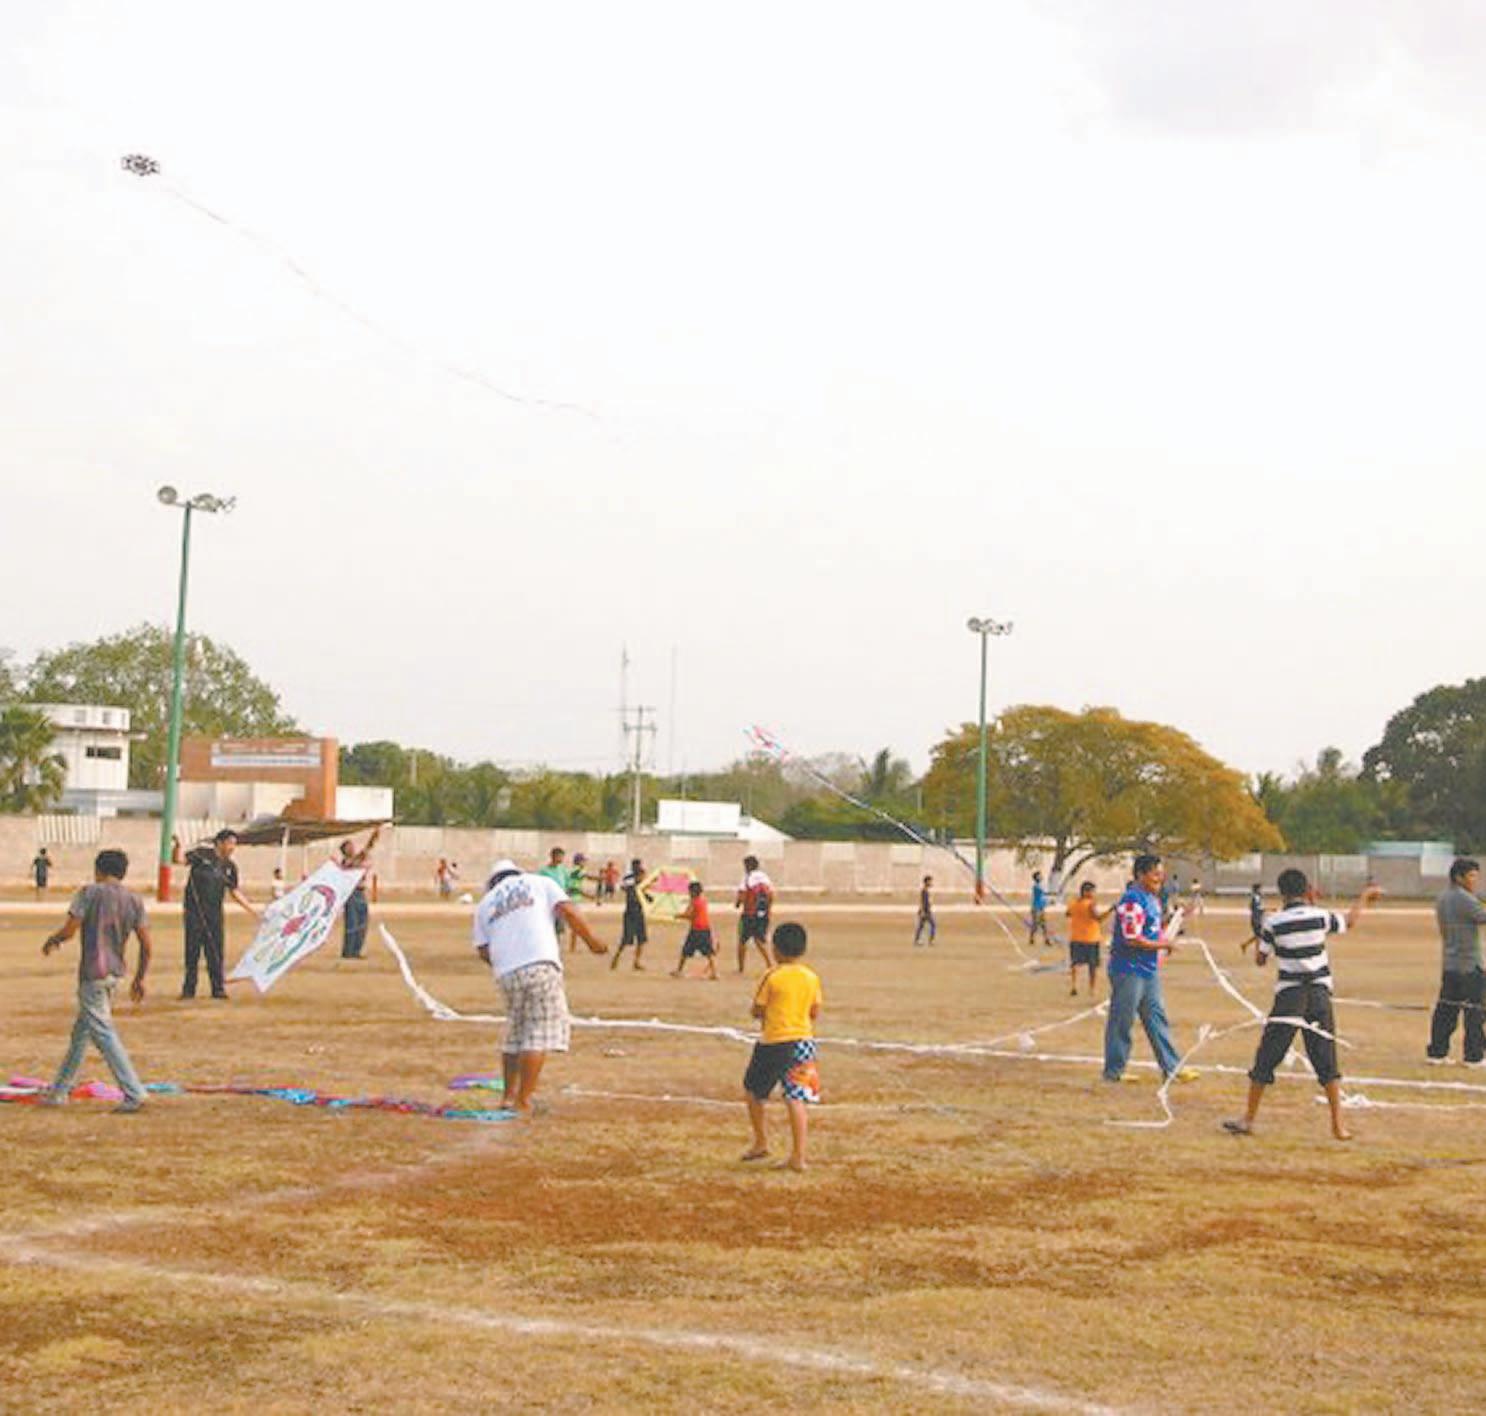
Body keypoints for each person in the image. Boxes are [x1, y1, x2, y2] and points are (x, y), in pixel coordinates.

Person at [1224, 870, 1382, 1141]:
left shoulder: (1274, 922)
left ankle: (1248, 1118)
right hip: (1319, 994)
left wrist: (1264, 934)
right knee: (1325, 1056)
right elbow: (1349, 921)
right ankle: (1338, 1126)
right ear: (1307, 890)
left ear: (1282, 893)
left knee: (1267, 1055)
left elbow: (1260, 959)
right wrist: (1365, 896)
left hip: (1289, 996)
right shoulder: (1319, 916)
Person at [472, 857, 607, 1113]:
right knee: (538, 1033)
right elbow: (568, 911)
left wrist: (505, 963)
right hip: (539, 964)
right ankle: (524, 1101)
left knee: (516, 1033)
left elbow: (482, 949)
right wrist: (592, 941)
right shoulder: (538, 882)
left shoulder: (485, 904)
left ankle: (508, 1097)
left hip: (507, 973)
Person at [39, 848, 151, 1113]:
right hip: (114, 972)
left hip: (93, 972)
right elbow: (146, 944)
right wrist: (140, 978)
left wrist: (53, 940)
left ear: (98, 870)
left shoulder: (89, 893)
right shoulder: (133, 899)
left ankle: (133, 1091)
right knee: (82, 1033)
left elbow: (70, 929)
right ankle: (59, 1090)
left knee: (102, 1032)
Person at [1102, 853, 1196, 1085]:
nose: (1159, 878)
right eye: (1155, 874)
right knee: (1122, 1020)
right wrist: (1164, 945)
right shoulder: (1132, 901)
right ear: (1140, 875)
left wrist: (1176, 919)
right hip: (1128, 970)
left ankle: (1171, 1067)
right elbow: (1132, 938)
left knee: (1156, 1018)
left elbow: (1152, 928)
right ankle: (1114, 1070)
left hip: (1148, 969)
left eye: (1161, 874)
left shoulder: (1152, 900)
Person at [741, 922, 822, 1172]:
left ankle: (761, 1142)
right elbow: (814, 1011)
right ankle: (799, 1156)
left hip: (775, 1042)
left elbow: (758, 1009)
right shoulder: (811, 977)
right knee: (796, 1099)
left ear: (776, 949)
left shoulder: (773, 976)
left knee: (753, 1092)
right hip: (804, 1042)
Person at [177, 829, 256, 1000]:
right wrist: (178, 846)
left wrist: (251, 909)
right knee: (192, 953)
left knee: (215, 952)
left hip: (215, 916)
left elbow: (234, 891)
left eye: (234, 844)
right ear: (220, 843)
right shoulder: (201, 855)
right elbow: (179, 860)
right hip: (194, 915)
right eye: (230, 843)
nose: (232, 847)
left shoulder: (230, 867)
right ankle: (189, 989)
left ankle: (218, 989)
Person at [1426, 856, 1486, 1067]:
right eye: (1471, 876)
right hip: (1469, 964)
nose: (1475, 881)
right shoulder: (1464, 899)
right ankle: (1474, 1056)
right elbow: (1482, 916)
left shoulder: (1443, 897)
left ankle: (1437, 1052)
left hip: (1450, 963)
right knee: (1475, 1011)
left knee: (1446, 1010)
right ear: (1459, 877)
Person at [337, 827, 382, 959]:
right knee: (352, 922)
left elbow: (367, 850)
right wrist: (373, 838)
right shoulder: (347, 862)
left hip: (360, 893)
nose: (352, 848)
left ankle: (356, 950)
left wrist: (374, 837)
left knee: (362, 922)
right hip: (352, 894)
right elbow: (364, 852)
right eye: (349, 847)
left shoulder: (357, 859)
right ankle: (349, 951)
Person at [1066, 881, 1108, 997]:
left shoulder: (1074, 902)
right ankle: (1092, 988)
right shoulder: (1090, 904)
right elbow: (1098, 918)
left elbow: (1068, 913)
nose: (1094, 894)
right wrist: (1110, 910)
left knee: (1075, 963)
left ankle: (1074, 985)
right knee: (1092, 966)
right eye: (1093, 891)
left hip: (1076, 937)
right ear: (1086, 892)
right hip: (1091, 938)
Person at [671, 880, 718, 979]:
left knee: (685, 951)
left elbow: (689, 914)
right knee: (708, 952)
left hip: (696, 930)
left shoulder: (694, 902)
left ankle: (679, 970)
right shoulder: (703, 901)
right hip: (705, 929)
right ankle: (714, 972)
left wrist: (678, 916)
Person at [735, 854, 775, 972]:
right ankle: (769, 963)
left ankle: (741, 967)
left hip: (748, 914)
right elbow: (771, 895)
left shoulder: (747, 878)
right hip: (762, 914)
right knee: (759, 940)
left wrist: (738, 903)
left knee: (742, 940)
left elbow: (742, 894)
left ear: (748, 866)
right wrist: (768, 910)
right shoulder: (765, 878)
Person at [613, 858, 649, 970]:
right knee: (626, 939)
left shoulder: (638, 882)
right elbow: (625, 887)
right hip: (631, 912)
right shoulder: (629, 880)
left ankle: (636, 961)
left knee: (641, 939)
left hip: (637, 911)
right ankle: (616, 958)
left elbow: (643, 893)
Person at [1028, 871, 1052, 947]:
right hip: (1036, 908)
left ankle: (1046, 939)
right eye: (1039, 875)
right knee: (1036, 924)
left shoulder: (1040, 886)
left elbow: (1044, 896)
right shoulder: (1036, 886)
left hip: (1041, 907)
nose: (1041, 876)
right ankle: (1032, 938)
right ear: (1036, 877)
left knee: (1043, 924)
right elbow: (1043, 894)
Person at [914, 874, 937, 947]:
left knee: (921, 926)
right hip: (926, 911)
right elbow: (922, 902)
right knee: (933, 925)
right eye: (930, 881)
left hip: (927, 910)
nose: (931, 883)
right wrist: (923, 911)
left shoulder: (926, 890)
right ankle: (931, 940)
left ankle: (917, 940)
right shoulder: (924, 891)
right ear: (926, 882)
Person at [1244, 883, 1265, 952]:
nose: (1262, 890)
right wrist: (1269, 909)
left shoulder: (1255, 897)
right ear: (1257, 889)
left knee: (1258, 935)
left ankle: (1245, 945)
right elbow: (1259, 908)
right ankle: (1257, 951)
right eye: (1260, 889)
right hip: (1256, 919)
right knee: (1259, 936)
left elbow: (1251, 907)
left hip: (1256, 918)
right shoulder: (1256, 897)